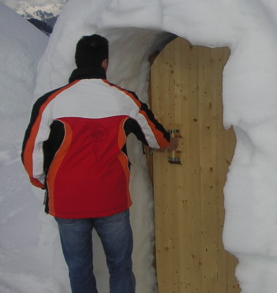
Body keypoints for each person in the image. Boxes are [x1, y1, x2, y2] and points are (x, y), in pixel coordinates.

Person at [21, 34, 178, 293]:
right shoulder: (123, 99)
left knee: (79, 268)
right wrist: (167, 142)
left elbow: (31, 152)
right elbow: (155, 137)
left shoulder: (51, 101)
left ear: (77, 61)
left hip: (67, 200)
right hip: (111, 198)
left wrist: (42, 181)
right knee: (120, 265)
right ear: (105, 63)